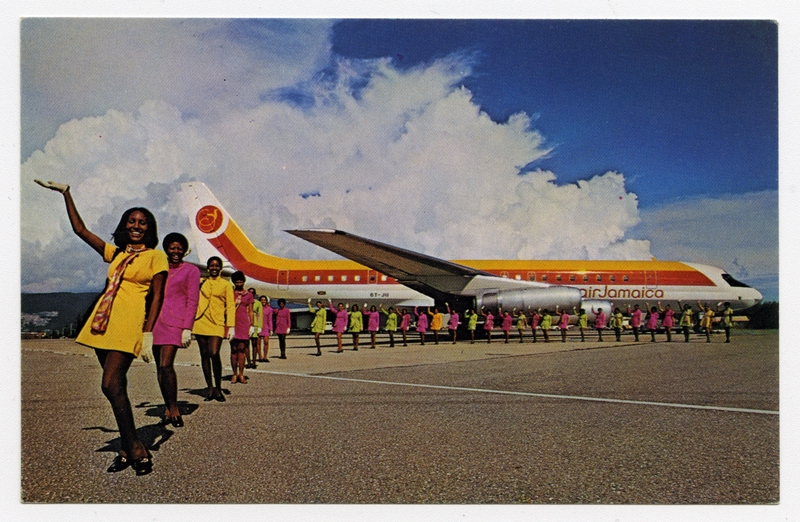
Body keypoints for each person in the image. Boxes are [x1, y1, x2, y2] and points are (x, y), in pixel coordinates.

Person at [37, 179, 167, 476]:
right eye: (132, 221)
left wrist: (148, 332)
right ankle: (128, 446)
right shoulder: (116, 253)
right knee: (116, 388)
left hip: (128, 322)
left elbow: (158, 295)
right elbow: (80, 231)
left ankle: (136, 447)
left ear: (149, 228)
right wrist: (66, 193)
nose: (136, 226)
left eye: (142, 222)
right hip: (103, 323)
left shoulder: (155, 256)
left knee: (109, 383)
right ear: (124, 225)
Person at [151, 232, 200, 428]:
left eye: (179, 248)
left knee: (166, 365)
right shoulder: (159, 267)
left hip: (175, 323)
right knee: (159, 368)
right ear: (166, 249)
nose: (176, 251)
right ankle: (167, 407)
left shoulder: (191, 270)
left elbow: (193, 300)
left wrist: (187, 327)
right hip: (155, 322)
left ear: (184, 250)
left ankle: (174, 408)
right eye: (172, 248)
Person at [193, 256, 234, 403]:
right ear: (208, 268)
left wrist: (231, 326)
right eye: (212, 266)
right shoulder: (201, 282)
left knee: (214, 353)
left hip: (217, 323)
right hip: (200, 321)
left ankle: (218, 388)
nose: (214, 268)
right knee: (204, 355)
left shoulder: (226, 285)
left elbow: (230, 306)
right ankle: (210, 388)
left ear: (221, 268)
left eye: (217, 266)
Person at [229, 272, 253, 384]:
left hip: (244, 323)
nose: (239, 284)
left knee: (242, 348)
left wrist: (252, 325)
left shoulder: (248, 295)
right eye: (237, 282)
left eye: (241, 281)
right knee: (233, 349)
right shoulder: (230, 293)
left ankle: (241, 374)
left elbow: (250, 311)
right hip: (232, 322)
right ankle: (234, 373)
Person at [247, 287, 262, 369]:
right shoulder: (245, 302)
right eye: (249, 292)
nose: (251, 294)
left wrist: (260, 326)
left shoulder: (258, 303)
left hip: (255, 324)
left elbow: (260, 315)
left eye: (252, 293)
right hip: (246, 324)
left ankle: (254, 361)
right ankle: (248, 362)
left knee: (254, 344)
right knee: (246, 345)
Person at [258, 296, 271, 362]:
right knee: (258, 343)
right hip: (258, 326)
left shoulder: (269, 309)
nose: (263, 301)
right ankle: (260, 356)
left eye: (264, 300)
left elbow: (270, 320)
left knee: (266, 342)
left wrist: (271, 329)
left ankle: (265, 357)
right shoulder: (258, 308)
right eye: (262, 300)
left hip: (266, 327)